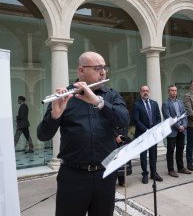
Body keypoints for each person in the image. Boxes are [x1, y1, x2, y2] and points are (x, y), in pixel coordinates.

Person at [37, 51, 130, 216]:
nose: (103, 72)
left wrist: (98, 102)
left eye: (104, 68)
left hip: (105, 174)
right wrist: (55, 116)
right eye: (97, 68)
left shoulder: (111, 95)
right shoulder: (64, 96)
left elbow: (124, 120)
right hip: (73, 176)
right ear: (81, 71)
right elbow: (43, 135)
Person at [132, 85, 163, 184]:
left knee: (153, 154)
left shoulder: (154, 103)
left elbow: (158, 117)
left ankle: (154, 173)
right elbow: (136, 120)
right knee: (143, 155)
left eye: (147, 91)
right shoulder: (137, 105)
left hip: (153, 133)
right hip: (142, 133)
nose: (145, 92)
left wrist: (155, 129)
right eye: (143, 91)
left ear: (149, 92)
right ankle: (145, 174)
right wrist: (146, 130)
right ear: (140, 92)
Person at [162, 85, 191, 178]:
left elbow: (184, 115)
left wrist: (184, 125)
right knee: (170, 150)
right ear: (168, 92)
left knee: (180, 149)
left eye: (175, 90)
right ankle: (171, 169)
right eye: (172, 90)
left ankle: (181, 167)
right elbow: (168, 118)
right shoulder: (165, 104)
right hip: (172, 130)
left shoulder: (180, 102)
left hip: (182, 130)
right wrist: (178, 126)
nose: (174, 92)